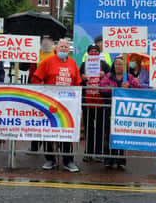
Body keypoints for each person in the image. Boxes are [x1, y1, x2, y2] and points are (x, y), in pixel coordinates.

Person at [31, 38, 82, 172]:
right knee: (49, 132)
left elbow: (77, 83)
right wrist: (41, 94)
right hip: (50, 105)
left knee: (67, 132)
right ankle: (50, 160)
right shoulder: (48, 62)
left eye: (66, 47)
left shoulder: (72, 63)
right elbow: (36, 78)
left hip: (67, 106)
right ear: (56, 48)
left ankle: (68, 161)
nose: (64, 49)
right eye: (62, 47)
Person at [99, 56, 141, 168]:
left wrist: (130, 86)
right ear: (113, 65)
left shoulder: (129, 77)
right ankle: (108, 159)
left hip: (123, 111)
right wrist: (116, 90)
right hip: (110, 110)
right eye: (117, 64)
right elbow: (102, 89)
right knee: (108, 134)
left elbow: (139, 89)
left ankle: (120, 160)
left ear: (125, 66)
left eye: (121, 64)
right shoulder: (108, 76)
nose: (118, 66)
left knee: (121, 134)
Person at [79, 44, 110, 161]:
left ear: (99, 52)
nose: (93, 53)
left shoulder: (105, 65)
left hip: (101, 102)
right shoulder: (83, 65)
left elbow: (110, 79)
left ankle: (99, 152)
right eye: (91, 51)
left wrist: (104, 76)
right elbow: (78, 78)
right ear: (88, 53)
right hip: (87, 101)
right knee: (88, 127)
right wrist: (82, 78)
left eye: (96, 51)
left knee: (100, 128)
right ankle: (88, 152)